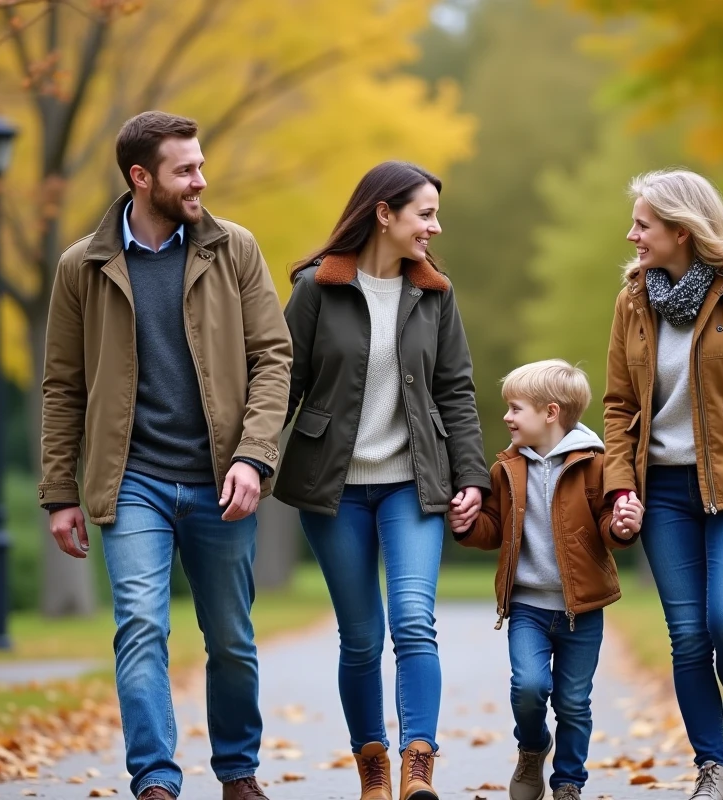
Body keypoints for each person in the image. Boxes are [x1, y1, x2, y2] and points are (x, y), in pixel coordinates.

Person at [38, 111, 292, 800]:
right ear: (140, 177)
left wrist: (254, 456)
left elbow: (273, 359)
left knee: (231, 638)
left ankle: (238, 773)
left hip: (220, 479)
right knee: (141, 625)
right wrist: (61, 492)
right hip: (132, 483)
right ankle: (154, 780)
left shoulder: (233, 249)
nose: (200, 180)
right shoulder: (81, 267)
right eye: (185, 169)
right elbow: (63, 385)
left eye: (200, 164)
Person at [276, 161, 490, 800]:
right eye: (425, 213)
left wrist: (472, 478)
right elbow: (282, 384)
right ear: (383, 213)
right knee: (362, 635)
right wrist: (248, 459)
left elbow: (456, 390)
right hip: (331, 489)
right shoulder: (318, 288)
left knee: (414, 621)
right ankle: (372, 765)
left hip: (412, 482)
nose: (435, 225)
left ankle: (417, 765)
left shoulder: (435, 293)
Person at [603, 169, 723, 799]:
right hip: (660, 490)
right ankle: (711, 766)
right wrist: (619, 486)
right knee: (688, 635)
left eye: (644, 225)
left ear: (682, 232)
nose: (631, 235)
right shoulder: (632, 300)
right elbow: (616, 406)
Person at [451, 359, 641, 800]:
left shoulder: (597, 465)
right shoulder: (507, 469)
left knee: (574, 704)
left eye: (516, 409)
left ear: (550, 413)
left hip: (582, 611)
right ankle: (533, 746)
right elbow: (494, 527)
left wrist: (623, 526)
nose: (507, 417)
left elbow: (609, 524)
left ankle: (568, 783)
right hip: (528, 609)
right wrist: (465, 522)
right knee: (530, 688)